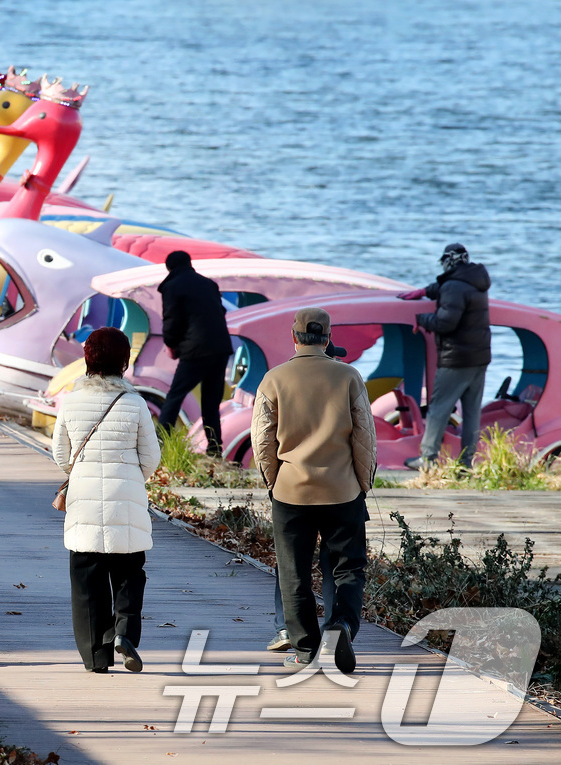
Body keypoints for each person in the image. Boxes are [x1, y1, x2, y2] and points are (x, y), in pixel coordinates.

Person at [252, 307, 376, 673]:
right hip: (342, 489)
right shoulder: (348, 376)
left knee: (294, 571)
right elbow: (364, 435)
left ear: (294, 337)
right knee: (348, 567)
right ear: (328, 338)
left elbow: (262, 440)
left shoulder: (273, 379)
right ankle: (342, 625)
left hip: (291, 491)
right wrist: (362, 482)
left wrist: (274, 481)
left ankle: (305, 649)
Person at [53, 327, 161, 673]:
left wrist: (81, 469)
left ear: (87, 359)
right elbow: (151, 458)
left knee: (87, 579)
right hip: (126, 496)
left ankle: (96, 657)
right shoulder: (134, 403)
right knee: (129, 571)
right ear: (124, 362)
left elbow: (61, 454)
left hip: (84, 500)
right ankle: (124, 633)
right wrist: (129, 475)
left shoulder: (71, 401)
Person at [399, 243, 492, 470]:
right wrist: (425, 291)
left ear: (448, 261)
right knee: (471, 413)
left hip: (456, 359)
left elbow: (445, 322)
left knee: (439, 408)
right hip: (479, 357)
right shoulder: (475, 282)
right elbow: (449, 290)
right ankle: (466, 463)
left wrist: (421, 320)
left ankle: (427, 459)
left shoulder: (453, 286)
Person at [156, 250, 233, 454]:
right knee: (211, 402)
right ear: (189, 264)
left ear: (169, 268)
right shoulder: (209, 284)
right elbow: (219, 313)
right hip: (220, 348)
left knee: (174, 396)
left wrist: (171, 345)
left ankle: (157, 446)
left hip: (195, 349)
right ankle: (215, 449)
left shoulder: (172, 287)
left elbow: (171, 320)